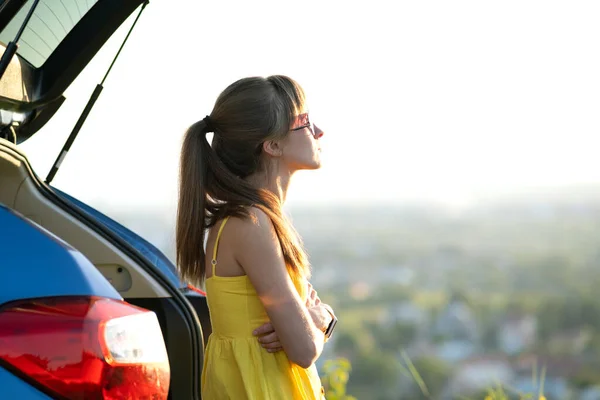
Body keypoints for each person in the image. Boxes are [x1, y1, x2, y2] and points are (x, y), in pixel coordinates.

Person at [176, 75, 337, 399]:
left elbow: (295, 336)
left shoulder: (247, 219)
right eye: (304, 122)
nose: (318, 132)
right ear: (273, 145)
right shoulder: (250, 223)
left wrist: (304, 323)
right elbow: (304, 349)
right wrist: (321, 317)